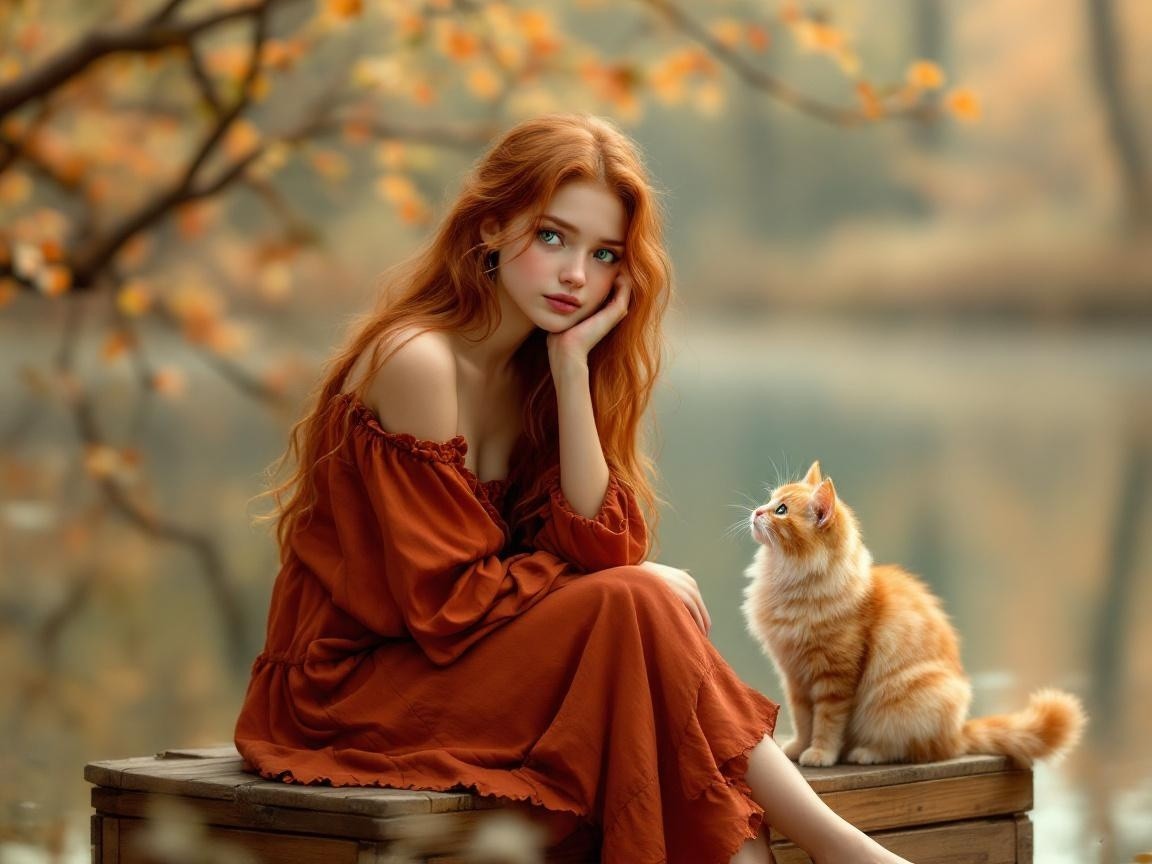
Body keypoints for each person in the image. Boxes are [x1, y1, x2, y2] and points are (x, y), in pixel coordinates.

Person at [234, 112, 912, 864]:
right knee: (641, 603)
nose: (575, 276)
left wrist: (570, 369)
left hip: (457, 664)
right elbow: (446, 603)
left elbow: (605, 546)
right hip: (350, 690)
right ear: (491, 227)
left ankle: (827, 851)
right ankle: (840, 849)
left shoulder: (538, 373)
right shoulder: (418, 361)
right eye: (552, 237)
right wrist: (634, 579)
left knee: (638, 618)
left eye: (603, 254)